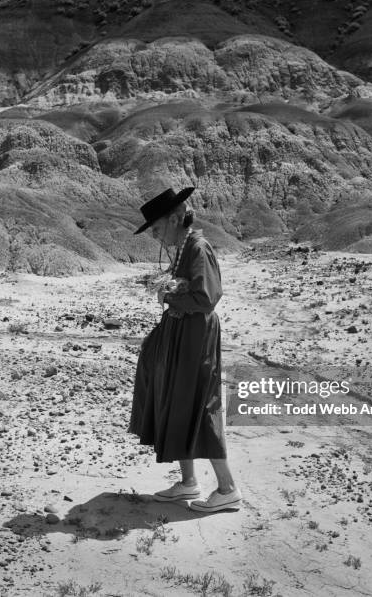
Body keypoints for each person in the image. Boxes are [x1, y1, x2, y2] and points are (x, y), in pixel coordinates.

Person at [129, 186, 241, 512]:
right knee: (178, 400)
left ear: (176, 219)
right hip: (182, 330)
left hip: (196, 335)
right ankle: (188, 482)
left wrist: (168, 297)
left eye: (159, 228)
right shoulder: (182, 248)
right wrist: (163, 283)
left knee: (200, 405)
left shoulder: (199, 248)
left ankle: (227, 489)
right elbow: (185, 284)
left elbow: (207, 297)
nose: (156, 236)